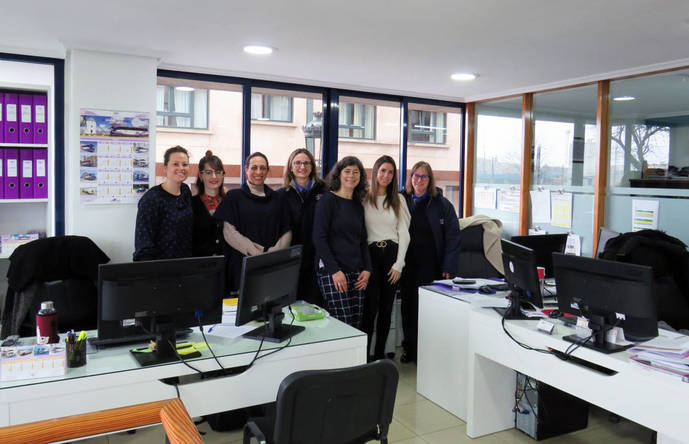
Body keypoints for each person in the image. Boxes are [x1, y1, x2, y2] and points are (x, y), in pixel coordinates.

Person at [399, 161, 461, 363]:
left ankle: (427, 352)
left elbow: (453, 238)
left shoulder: (441, 204)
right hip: (406, 266)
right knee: (407, 309)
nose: (419, 180)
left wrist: (448, 266)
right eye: (415, 176)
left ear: (430, 180)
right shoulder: (402, 200)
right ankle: (410, 349)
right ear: (410, 178)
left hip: (431, 265)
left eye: (423, 177)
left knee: (427, 309)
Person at [214, 152, 291, 292]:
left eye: (263, 168)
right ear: (246, 170)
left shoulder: (278, 199)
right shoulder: (233, 197)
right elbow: (229, 232)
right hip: (242, 266)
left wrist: (273, 254)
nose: (258, 172)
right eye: (254, 167)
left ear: (267, 171)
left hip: (271, 267)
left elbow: (286, 231)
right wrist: (257, 255)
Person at [313, 156, 372, 328]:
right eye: (347, 171)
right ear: (338, 175)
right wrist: (335, 271)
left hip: (356, 273)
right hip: (333, 273)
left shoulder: (357, 205)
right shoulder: (326, 201)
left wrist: (368, 269)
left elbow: (362, 240)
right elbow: (319, 238)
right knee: (342, 324)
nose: (351, 176)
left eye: (356, 172)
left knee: (356, 324)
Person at [362, 156, 410, 361]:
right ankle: (364, 357)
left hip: (392, 256)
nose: (386, 175)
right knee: (369, 310)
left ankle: (380, 355)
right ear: (375, 172)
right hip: (370, 257)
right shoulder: (363, 198)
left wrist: (399, 265)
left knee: (386, 309)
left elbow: (405, 234)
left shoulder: (398, 199)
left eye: (390, 172)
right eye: (382, 171)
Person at [278, 148, 326, 307]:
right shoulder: (281, 195)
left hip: (317, 259)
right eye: (297, 163)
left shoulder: (324, 191)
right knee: (291, 307)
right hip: (291, 260)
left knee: (314, 307)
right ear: (291, 167)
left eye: (306, 163)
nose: (302, 166)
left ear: (312, 167)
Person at [134, 145, 192, 261]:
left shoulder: (186, 191)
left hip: (185, 266)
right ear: (165, 168)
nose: (181, 168)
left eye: (185, 164)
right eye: (175, 164)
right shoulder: (151, 199)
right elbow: (143, 244)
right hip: (160, 268)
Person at [192, 150, 226, 257]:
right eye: (208, 172)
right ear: (201, 176)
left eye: (218, 172)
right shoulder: (191, 204)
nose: (214, 177)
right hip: (200, 266)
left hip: (226, 266)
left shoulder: (229, 203)